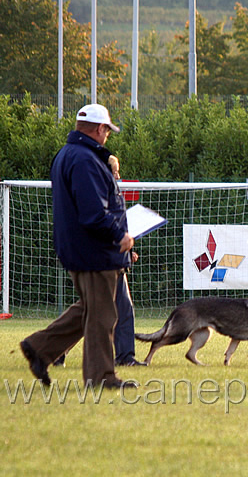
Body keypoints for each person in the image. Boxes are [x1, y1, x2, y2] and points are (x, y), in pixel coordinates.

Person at [20, 103, 136, 389]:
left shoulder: (68, 154)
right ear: (99, 129)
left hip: (79, 248)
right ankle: (101, 377)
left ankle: (39, 348)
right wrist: (119, 235)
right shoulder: (85, 160)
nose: (108, 136)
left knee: (90, 309)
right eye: (107, 130)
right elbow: (94, 213)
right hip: (94, 251)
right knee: (103, 316)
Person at [53, 155, 147, 368]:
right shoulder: (99, 193)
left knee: (99, 311)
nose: (118, 176)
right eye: (115, 171)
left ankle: (57, 351)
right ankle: (123, 357)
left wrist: (127, 252)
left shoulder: (107, 192)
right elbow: (100, 226)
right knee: (102, 312)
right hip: (105, 263)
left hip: (113, 260)